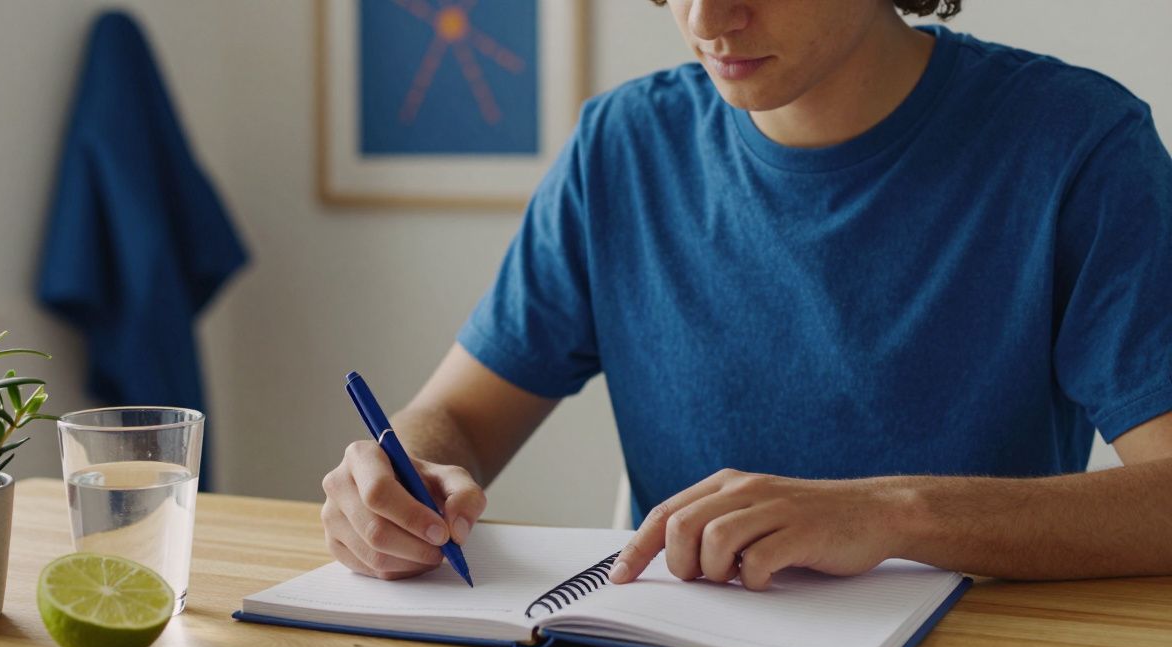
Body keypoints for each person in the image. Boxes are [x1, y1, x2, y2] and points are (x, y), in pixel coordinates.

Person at [321, 0, 1172, 590]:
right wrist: (408, 476)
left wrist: (894, 513)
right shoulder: (621, 148)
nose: (705, 18)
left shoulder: (1078, 146)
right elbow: (460, 420)